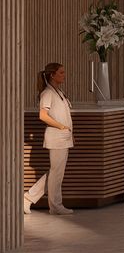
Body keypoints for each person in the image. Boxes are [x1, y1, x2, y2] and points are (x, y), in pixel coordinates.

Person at [24, 61, 74, 212]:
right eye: (61, 73)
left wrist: (70, 132)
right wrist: (60, 127)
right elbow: (43, 116)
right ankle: (56, 206)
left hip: (64, 137)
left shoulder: (58, 92)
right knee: (56, 173)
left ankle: (28, 198)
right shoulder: (47, 93)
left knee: (55, 173)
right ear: (52, 75)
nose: (64, 75)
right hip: (56, 138)